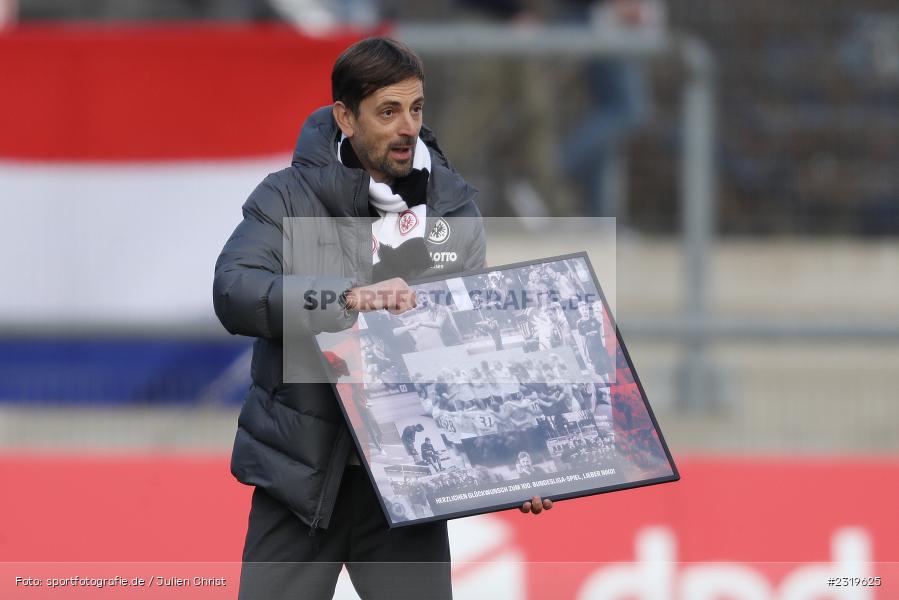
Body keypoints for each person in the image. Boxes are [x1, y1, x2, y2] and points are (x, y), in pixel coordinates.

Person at [212, 37, 552, 600]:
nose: (407, 127)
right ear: (345, 116)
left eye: (416, 109)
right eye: (388, 111)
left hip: (410, 493)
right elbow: (234, 292)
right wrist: (347, 298)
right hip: (298, 487)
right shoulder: (284, 198)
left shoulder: (451, 208)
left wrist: (516, 459)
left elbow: (470, 350)